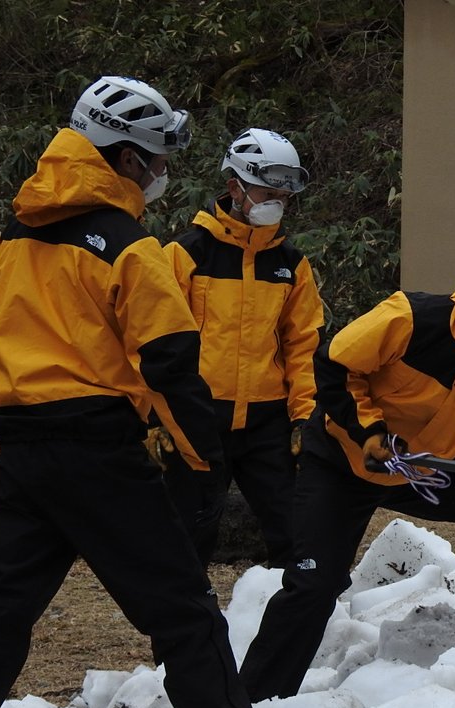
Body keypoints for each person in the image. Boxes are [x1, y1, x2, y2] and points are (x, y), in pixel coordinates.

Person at [0, 75, 258, 708]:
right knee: (181, 608)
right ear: (123, 158)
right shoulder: (128, 245)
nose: (159, 173)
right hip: (100, 450)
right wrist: (205, 464)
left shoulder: (17, 236)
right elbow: (172, 363)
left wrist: (9, 421)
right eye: (153, 159)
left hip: (23, 452)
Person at [238, 251, 455, 702]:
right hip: (345, 462)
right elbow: (335, 365)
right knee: (314, 584)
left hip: (424, 466)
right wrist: (367, 431)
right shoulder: (412, 319)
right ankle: (251, 704)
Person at [159, 127, 325, 568]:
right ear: (235, 186)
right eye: (267, 191)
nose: (277, 202)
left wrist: (305, 415)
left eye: (284, 195)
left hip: (266, 422)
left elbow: (302, 343)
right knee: (189, 532)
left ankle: (302, 618)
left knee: (297, 531)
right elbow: (155, 342)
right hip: (197, 416)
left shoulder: (291, 264)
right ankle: (191, 624)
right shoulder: (185, 254)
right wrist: (152, 416)